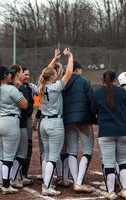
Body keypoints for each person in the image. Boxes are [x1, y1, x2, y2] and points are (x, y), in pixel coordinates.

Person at [38, 48, 73, 196]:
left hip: (44, 123)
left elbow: (44, 74)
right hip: (55, 124)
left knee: (46, 155)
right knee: (52, 157)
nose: (56, 74)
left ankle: (47, 183)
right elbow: (69, 73)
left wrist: (53, 59)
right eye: (54, 73)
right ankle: (46, 186)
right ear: (52, 76)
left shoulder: (41, 85)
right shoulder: (55, 87)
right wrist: (70, 57)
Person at [91, 70, 126, 199]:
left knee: (108, 163)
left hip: (106, 132)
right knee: (123, 161)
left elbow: (92, 111)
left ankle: (111, 192)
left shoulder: (97, 93)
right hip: (123, 131)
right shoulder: (121, 91)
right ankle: (125, 189)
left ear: (103, 81)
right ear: (115, 80)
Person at [0, 66, 28, 194]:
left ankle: (0, 183)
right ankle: (6, 185)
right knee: (9, 157)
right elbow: (24, 105)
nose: (11, 76)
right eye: (9, 74)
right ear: (5, 76)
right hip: (9, 122)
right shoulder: (11, 88)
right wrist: (20, 94)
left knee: (1, 155)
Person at [62, 61, 95, 193]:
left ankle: (76, 180)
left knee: (72, 151)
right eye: (80, 69)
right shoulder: (84, 81)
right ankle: (79, 182)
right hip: (83, 120)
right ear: (76, 69)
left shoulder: (63, 82)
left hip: (68, 120)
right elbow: (91, 102)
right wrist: (94, 117)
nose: (82, 71)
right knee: (88, 150)